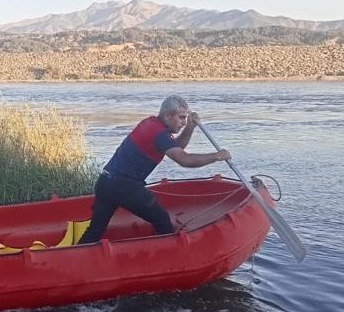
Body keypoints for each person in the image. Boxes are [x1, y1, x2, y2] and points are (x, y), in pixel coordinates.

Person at [77, 94, 231, 245]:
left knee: (94, 231)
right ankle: (169, 258)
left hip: (106, 182)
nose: (183, 122)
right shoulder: (159, 134)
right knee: (162, 219)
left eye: (185, 118)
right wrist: (216, 156)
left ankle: (75, 260)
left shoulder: (152, 124)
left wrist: (190, 127)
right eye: (181, 118)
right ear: (168, 116)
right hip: (124, 185)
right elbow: (184, 159)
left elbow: (176, 147)